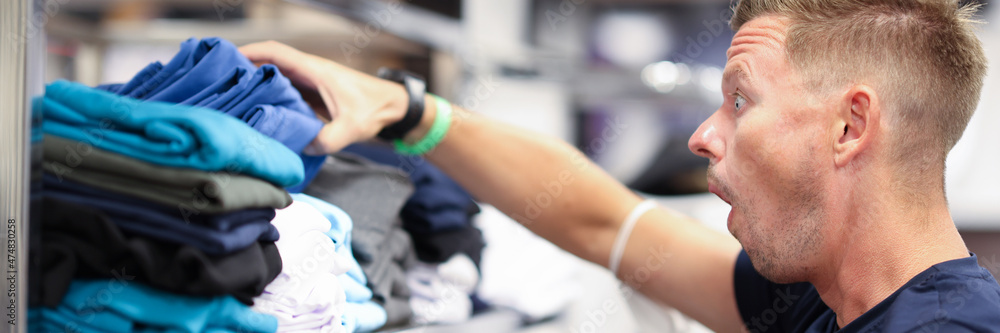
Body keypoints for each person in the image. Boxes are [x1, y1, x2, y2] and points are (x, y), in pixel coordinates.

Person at [239, 0, 1000, 331]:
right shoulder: (824, 302)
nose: (704, 134)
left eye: (739, 100)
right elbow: (604, 220)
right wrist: (405, 112)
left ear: (848, 125)